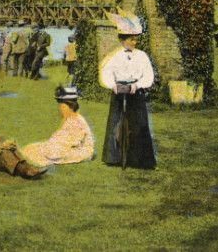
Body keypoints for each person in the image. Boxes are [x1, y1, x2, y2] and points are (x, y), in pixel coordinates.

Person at [100, 12, 157, 169]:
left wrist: (137, 86)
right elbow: (106, 74)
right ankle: (114, 158)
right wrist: (113, 86)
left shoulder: (142, 56)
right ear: (122, 39)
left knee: (139, 124)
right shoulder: (115, 57)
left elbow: (149, 76)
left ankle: (141, 160)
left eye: (135, 39)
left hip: (136, 93)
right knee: (116, 124)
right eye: (130, 39)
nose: (133, 42)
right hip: (119, 92)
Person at [21, 86, 95, 166]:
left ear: (72, 107)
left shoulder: (78, 122)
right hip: (67, 147)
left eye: (63, 107)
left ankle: (28, 161)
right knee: (31, 148)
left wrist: (53, 145)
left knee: (48, 152)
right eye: (60, 106)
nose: (60, 109)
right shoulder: (69, 118)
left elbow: (73, 142)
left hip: (80, 151)